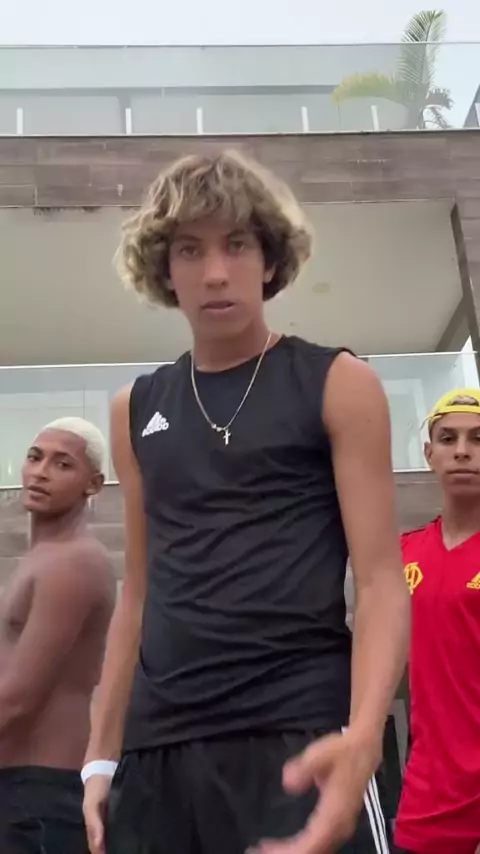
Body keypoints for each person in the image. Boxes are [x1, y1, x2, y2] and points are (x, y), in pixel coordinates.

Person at [83, 150, 409, 854]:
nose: (215, 272)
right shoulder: (135, 408)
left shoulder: (338, 383)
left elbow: (381, 580)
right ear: (164, 269)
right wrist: (101, 758)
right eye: (190, 250)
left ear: (268, 260)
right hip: (159, 752)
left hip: (299, 737)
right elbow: (137, 590)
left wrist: (363, 736)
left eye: (236, 244)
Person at [0, 417, 116, 853]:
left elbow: (19, 695)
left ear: (94, 484)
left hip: (42, 794)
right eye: (35, 457)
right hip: (21, 791)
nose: (41, 472)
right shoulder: (41, 559)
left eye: (63, 464)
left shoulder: (74, 562)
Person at [394, 389, 480, 854]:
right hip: (431, 791)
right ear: (429, 454)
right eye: (449, 438)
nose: (463, 450)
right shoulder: (402, 554)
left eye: (478, 438)